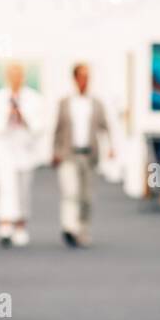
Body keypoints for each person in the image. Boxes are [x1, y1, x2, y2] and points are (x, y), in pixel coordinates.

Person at [0, 63, 45, 247]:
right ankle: (5, 224)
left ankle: (20, 226)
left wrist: (23, 116)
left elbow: (40, 126)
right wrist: (7, 115)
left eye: (19, 74)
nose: (16, 78)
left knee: (23, 189)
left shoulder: (34, 99)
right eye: (12, 74)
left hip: (25, 151)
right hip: (3, 150)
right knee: (5, 187)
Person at [52, 63, 112, 248]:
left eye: (87, 77)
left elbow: (105, 127)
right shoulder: (65, 103)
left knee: (86, 196)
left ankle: (82, 228)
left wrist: (111, 147)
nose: (85, 80)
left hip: (89, 155)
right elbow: (58, 129)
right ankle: (70, 227)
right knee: (70, 192)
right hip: (69, 153)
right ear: (75, 78)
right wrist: (54, 151)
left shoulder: (96, 104)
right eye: (81, 76)